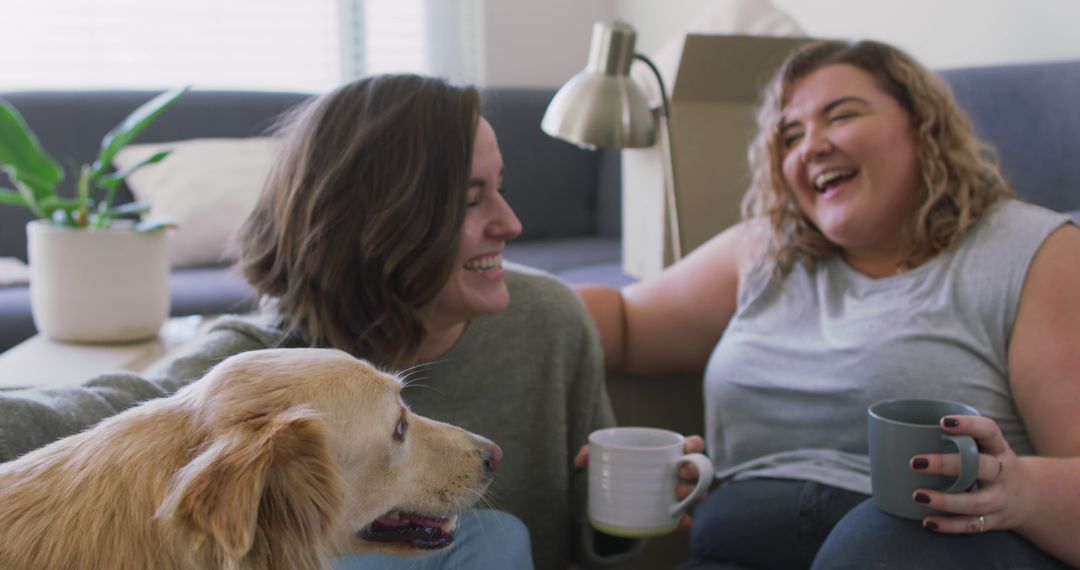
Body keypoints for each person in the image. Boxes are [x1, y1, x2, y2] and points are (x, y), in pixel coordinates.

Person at [0, 75, 634, 570]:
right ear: (383, 219)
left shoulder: (553, 323)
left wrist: (627, 507)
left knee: (496, 539)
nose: (511, 222)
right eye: (472, 199)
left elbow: (591, 534)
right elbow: (106, 415)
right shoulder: (271, 363)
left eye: (500, 187)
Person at [577, 39, 1080, 569]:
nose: (810, 146)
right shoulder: (766, 248)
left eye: (841, 116)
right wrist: (497, 295)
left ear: (922, 126)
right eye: (790, 136)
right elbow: (626, 323)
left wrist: (1017, 487)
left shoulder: (1035, 252)